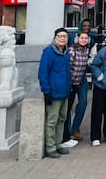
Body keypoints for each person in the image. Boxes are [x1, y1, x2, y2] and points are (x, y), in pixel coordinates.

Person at [38, 27, 72, 158]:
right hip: (53, 93)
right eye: (60, 36)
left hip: (64, 92)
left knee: (62, 119)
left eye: (65, 36)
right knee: (52, 121)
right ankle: (50, 147)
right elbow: (43, 73)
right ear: (55, 37)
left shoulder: (66, 52)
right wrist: (46, 91)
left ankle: (58, 144)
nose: (63, 39)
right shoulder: (49, 52)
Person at [61, 32, 91, 147]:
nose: (84, 40)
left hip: (81, 79)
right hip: (71, 80)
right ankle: (66, 132)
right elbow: (67, 66)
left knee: (83, 103)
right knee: (68, 106)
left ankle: (75, 128)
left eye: (86, 38)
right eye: (82, 38)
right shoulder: (72, 50)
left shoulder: (86, 50)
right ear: (77, 39)